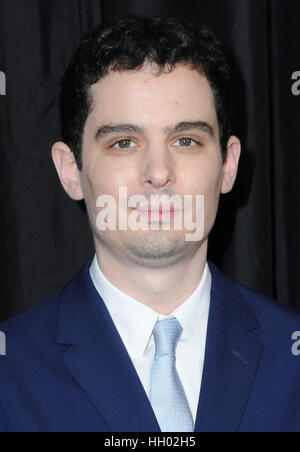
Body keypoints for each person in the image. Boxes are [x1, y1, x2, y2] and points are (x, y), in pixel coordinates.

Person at [0, 15, 299, 433]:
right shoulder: (9, 373)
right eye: (124, 143)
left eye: (186, 141)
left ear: (228, 165)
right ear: (71, 171)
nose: (158, 172)